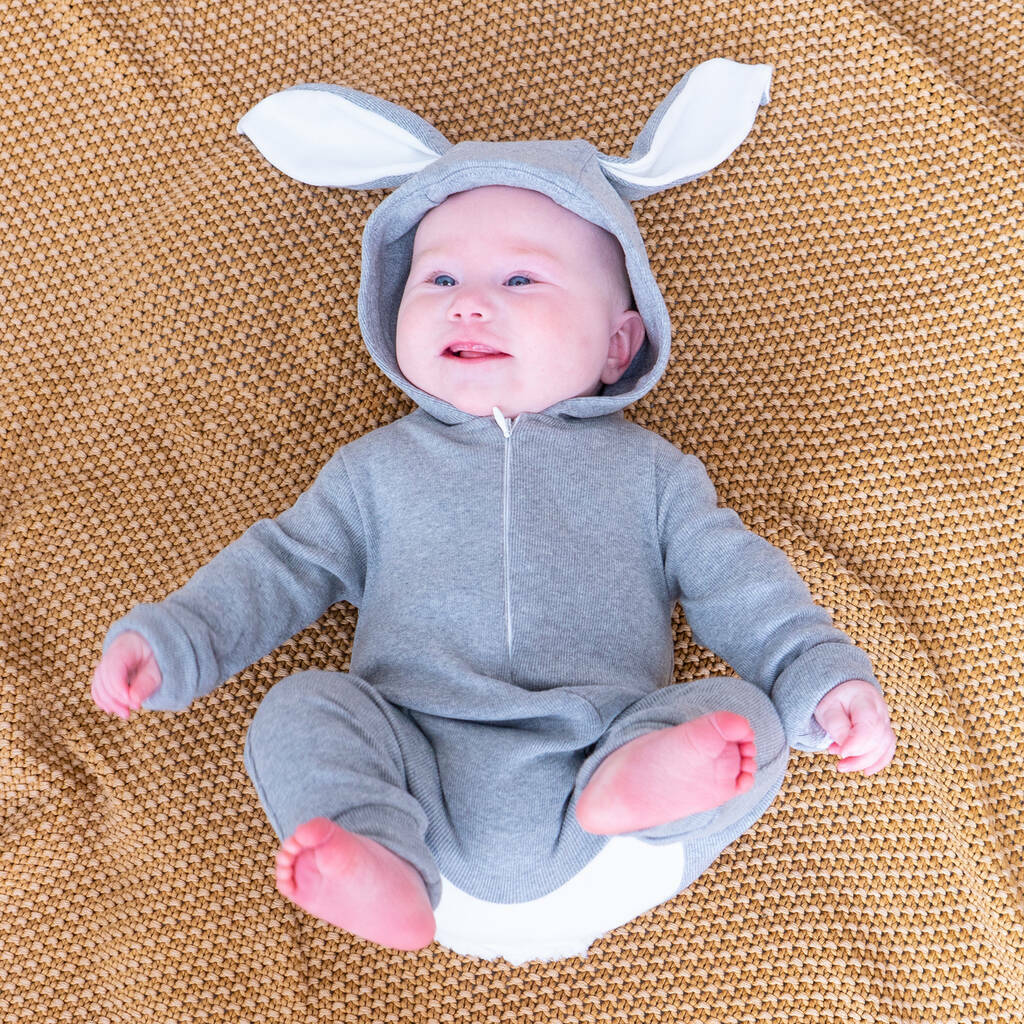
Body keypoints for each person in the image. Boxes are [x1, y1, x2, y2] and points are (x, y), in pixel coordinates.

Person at [91, 62, 896, 964]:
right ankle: (371, 857)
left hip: (603, 799)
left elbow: (741, 586)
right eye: (438, 280)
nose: (469, 302)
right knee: (299, 709)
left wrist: (821, 677)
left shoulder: (654, 477)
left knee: (745, 722)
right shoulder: (373, 472)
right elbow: (278, 570)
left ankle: (633, 787)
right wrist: (178, 641)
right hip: (416, 786)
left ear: (619, 343)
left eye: (519, 280)